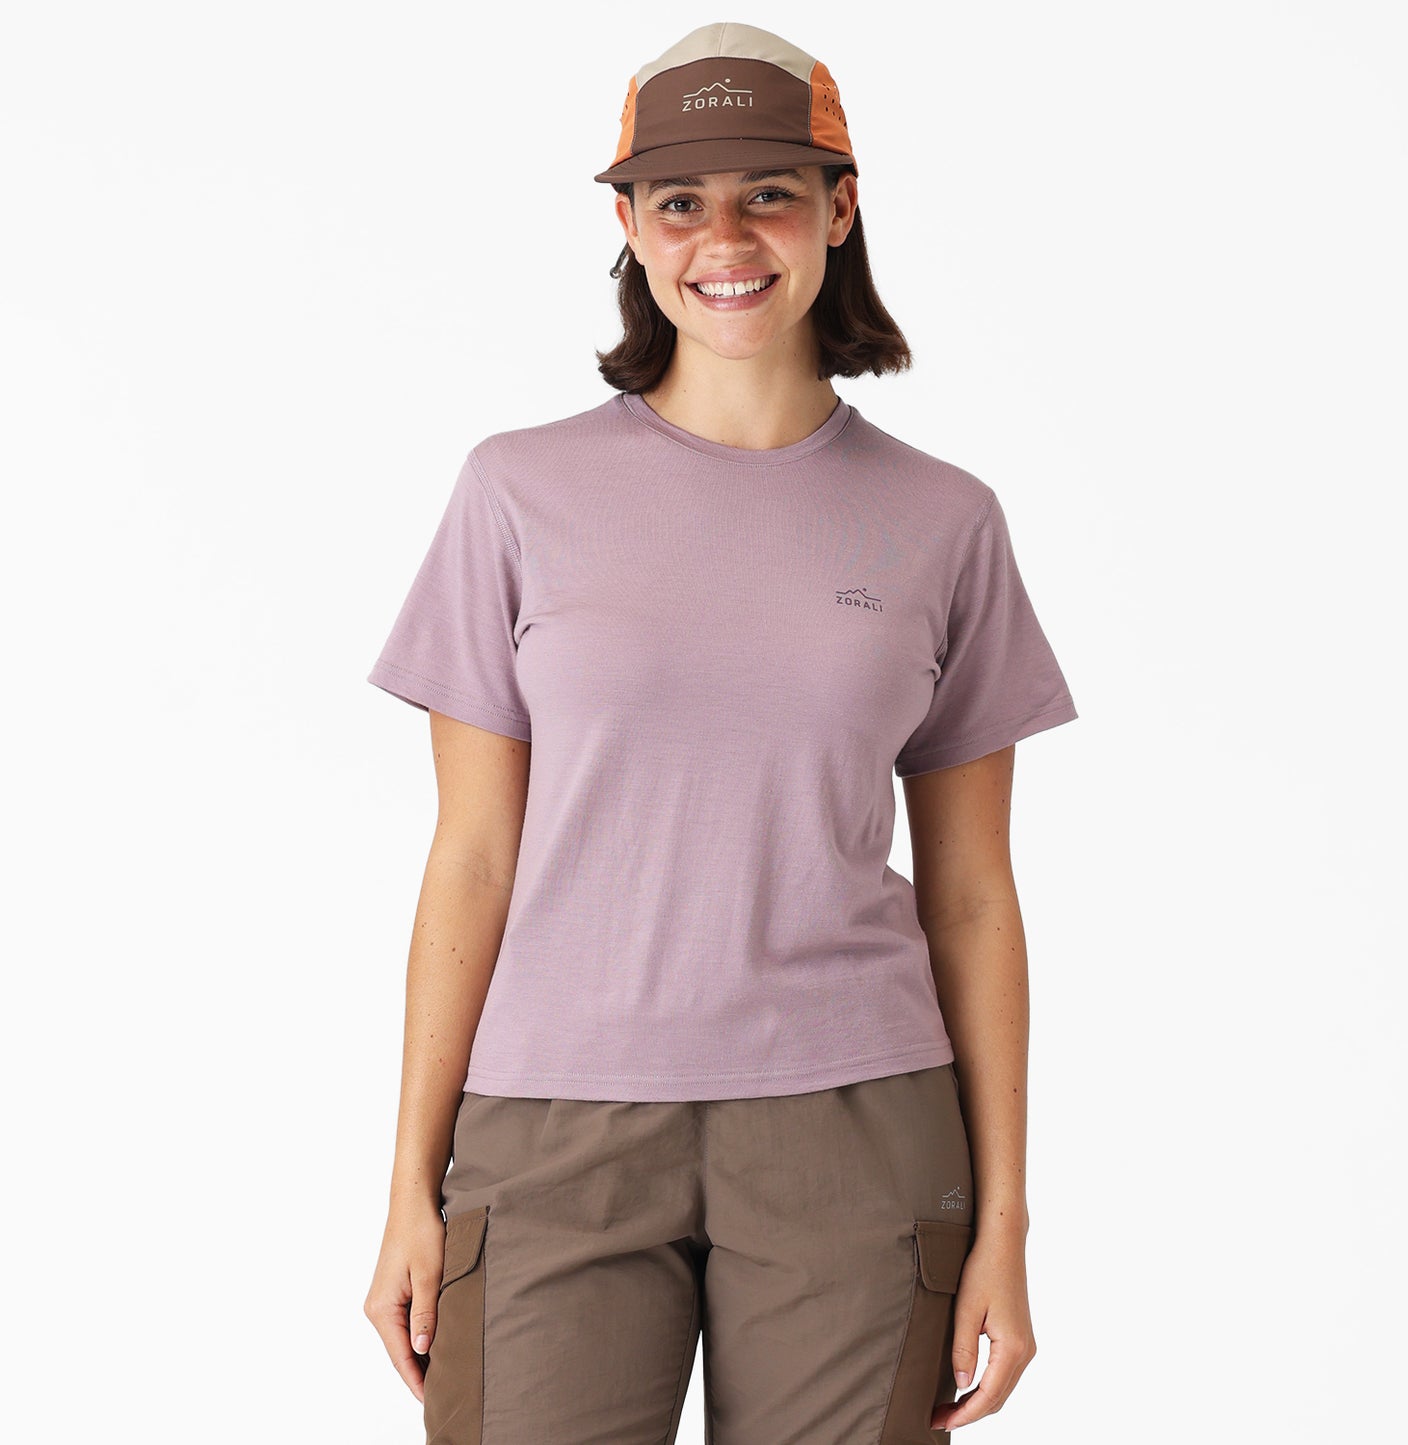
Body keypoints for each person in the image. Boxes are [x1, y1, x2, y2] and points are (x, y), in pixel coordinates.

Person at [361, 20, 1079, 1444]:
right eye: (680, 200)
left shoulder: (942, 519)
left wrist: (1004, 1221)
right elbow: (474, 861)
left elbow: (974, 895)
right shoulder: (516, 493)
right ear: (629, 227)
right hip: (552, 1124)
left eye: (770, 193)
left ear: (839, 209)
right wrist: (406, 1190)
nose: (726, 238)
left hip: (857, 1123)